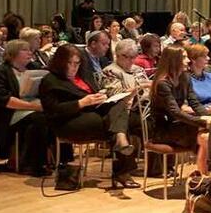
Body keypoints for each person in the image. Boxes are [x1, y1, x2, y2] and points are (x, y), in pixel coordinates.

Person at [41, 44, 140, 188]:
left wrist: (100, 96)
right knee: (120, 124)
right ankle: (122, 169)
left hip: (93, 112)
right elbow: (52, 110)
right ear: (60, 62)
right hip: (68, 121)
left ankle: (120, 141)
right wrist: (81, 103)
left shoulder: (83, 77)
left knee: (120, 108)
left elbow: (95, 93)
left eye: (77, 63)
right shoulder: (50, 80)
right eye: (70, 63)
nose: (74, 67)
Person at [0, 40, 53, 176]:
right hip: (8, 113)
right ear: (12, 54)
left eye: (30, 50)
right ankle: (32, 163)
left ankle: (57, 159)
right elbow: (3, 99)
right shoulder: (1, 72)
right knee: (38, 119)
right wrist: (34, 106)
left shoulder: (33, 67)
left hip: (31, 109)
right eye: (25, 50)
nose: (30, 53)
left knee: (53, 114)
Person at [149, 46, 210, 175]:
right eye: (184, 57)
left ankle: (204, 173)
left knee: (207, 135)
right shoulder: (162, 83)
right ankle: (204, 174)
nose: (188, 60)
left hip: (177, 125)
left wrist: (209, 118)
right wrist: (202, 122)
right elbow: (175, 112)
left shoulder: (185, 78)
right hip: (162, 130)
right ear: (173, 60)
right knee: (204, 136)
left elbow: (194, 103)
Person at [187, 43, 211, 113]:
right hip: (199, 116)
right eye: (204, 56)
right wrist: (206, 110)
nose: (208, 58)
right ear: (193, 59)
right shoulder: (186, 80)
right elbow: (184, 108)